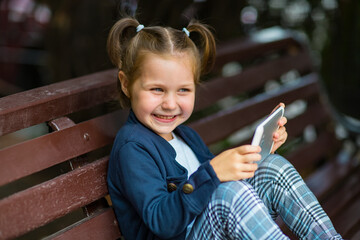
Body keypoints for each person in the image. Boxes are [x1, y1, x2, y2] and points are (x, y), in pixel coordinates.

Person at [106, 17, 342, 240]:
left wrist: (256, 155)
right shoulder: (133, 148)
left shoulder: (185, 136)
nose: (170, 103)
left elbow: (220, 184)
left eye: (183, 90)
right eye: (157, 89)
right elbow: (162, 221)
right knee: (229, 195)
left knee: (272, 168)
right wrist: (212, 173)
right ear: (126, 84)